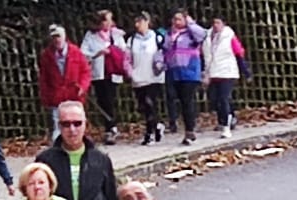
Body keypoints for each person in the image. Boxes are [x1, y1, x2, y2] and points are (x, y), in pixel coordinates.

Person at [36, 102, 120, 200]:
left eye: (77, 123)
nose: (72, 129)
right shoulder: (45, 160)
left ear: (85, 124)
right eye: (66, 124)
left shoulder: (101, 160)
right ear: (59, 126)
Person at [81, 10, 129, 144]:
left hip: (113, 71)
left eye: (110, 19)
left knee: (110, 99)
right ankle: (110, 126)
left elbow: (124, 50)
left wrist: (113, 50)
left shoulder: (116, 34)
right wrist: (98, 53)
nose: (109, 22)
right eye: (106, 20)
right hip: (99, 72)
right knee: (103, 100)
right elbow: (83, 53)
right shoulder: (90, 36)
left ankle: (111, 127)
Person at [38, 29, 92, 138]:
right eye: (54, 37)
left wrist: (82, 87)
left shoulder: (75, 52)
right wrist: (45, 96)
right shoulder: (47, 55)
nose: (56, 40)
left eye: (58, 36)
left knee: (77, 122)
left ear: (64, 37)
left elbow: (85, 72)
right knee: (58, 124)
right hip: (56, 96)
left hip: (74, 94)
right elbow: (44, 78)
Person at [164, 12, 207, 144]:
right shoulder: (170, 34)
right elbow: (165, 50)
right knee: (177, 100)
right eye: (174, 19)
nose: (176, 22)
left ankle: (190, 130)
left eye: (179, 19)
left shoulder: (191, 33)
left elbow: (202, 35)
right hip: (174, 72)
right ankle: (179, 124)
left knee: (187, 101)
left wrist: (190, 23)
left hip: (189, 72)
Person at [127, 12, 167, 144]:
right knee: (144, 106)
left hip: (154, 77)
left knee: (151, 103)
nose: (137, 25)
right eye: (136, 22)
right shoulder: (132, 40)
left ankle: (149, 133)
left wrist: (161, 65)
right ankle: (157, 126)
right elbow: (127, 59)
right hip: (138, 77)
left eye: (140, 22)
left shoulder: (157, 37)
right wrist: (130, 72)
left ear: (147, 22)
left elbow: (165, 52)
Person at [204, 14, 246, 138]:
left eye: (218, 23)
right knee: (215, 99)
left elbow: (239, 52)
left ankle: (226, 125)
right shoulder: (208, 37)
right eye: (214, 23)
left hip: (227, 72)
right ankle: (226, 118)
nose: (216, 26)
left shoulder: (229, 36)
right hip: (213, 72)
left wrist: (245, 70)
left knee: (223, 98)